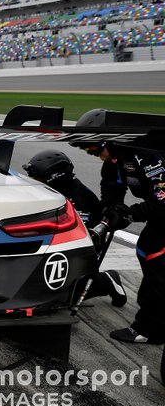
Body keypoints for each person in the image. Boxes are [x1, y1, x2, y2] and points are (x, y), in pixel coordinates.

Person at [72, 109, 165, 344]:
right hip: (160, 216)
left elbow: (163, 202)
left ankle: (150, 329)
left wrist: (129, 215)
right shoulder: (116, 159)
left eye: (93, 148)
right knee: (147, 251)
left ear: (110, 140)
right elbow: (111, 186)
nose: (93, 154)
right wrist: (111, 209)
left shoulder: (148, 155)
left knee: (156, 260)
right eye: (87, 150)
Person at [22, 149, 126, 307]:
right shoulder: (48, 192)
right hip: (44, 250)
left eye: (37, 177)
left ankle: (105, 280)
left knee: (55, 296)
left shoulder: (81, 200)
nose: (33, 180)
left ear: (54, 176)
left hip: (73, 254)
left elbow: (82, 243)